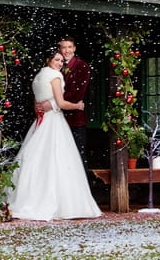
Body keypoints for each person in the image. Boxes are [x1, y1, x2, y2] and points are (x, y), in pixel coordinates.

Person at [6, 50, 102, 221]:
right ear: (48, 60)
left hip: (41, 121)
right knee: (58, 158)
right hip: (53, 122)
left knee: (36, 157)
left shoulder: (38, 77)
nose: (59, 63)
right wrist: (78, 106)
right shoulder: (55, 77)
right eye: (56, 60)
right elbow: (61, 103)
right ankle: (61, 204)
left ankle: (28, 198)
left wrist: (43, 105)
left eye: (61, 61)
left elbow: (38, 102)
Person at [37, 36, 91, 168]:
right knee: (58, 158)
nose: (66, 51)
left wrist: (53, 103)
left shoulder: (81, 66)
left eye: (69, 47)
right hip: (55, 120)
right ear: (59, 49)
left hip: (74, 120)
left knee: (77, 157)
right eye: (63, 47)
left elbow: (77, 94)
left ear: (74, 49)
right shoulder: (56, 67)